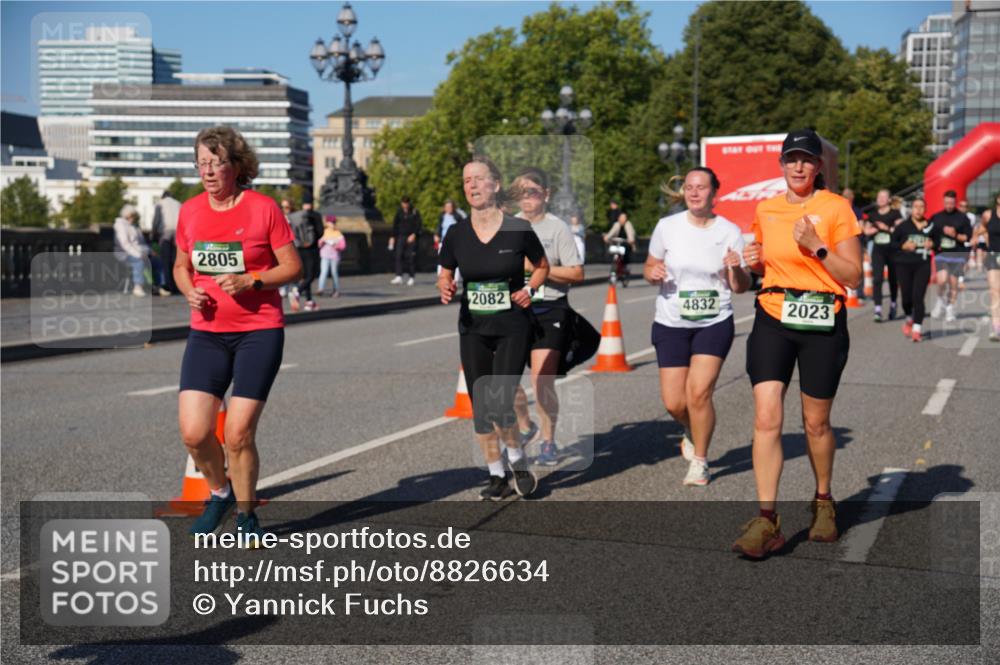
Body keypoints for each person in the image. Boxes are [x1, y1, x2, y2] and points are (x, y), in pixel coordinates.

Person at [735, 128, 862, 559]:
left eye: (806, 159)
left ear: (818, 165)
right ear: (781, 164)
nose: (798, 166)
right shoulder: (766, 209)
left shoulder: (836, 208)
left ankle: (823, 501)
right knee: (766, 417)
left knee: (816, 424)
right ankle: (766, 517)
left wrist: (818, 248)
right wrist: (751, 264)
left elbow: (855, 276)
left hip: (823, 319)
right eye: (791, 159)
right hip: (773, 315)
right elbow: (758, 263)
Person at [174, 125, 302, 541]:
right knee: (194, 433)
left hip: (258, 332)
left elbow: (293, 267)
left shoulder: (263, 208)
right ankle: (220, 493)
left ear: (237, 165)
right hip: (207, 332)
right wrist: (189, 289)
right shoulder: (190, 211)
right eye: (202, 163)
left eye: (217, 162)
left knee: (238, 433)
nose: (209, 171)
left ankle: (247, 516)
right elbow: (181, 265)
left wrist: (252, 281)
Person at [437, 156, 549, 500]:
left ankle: (516, 458)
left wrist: (530, 290)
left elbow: (542, 267)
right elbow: (445, 270)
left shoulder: (518, 229)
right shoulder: (456, 233)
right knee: (481, 406)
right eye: (466, 180)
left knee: (500, 400)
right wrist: (445, 285)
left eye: (478, 179)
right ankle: (496, 475)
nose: (471, 185)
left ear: (495, 185)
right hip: (473, 328)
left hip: (513, 325)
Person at [644, 167, 750, 486]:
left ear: (713, 193)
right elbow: (649, 267)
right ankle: (691, 429)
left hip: (714, 321)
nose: (693, 192)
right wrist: (653, 272)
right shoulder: (667, 227)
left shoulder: (729, 232)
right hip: (671, 321)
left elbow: (742, 285)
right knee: (675, 402)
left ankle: (700, 461)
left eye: (701, 187)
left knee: (699, 393)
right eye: (689, 187)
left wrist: (735, 269)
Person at [507, 167, 584, 466]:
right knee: (505, 377)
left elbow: (577, 273)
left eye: (533, 191)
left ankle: (549, 442)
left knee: (541, 379)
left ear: (546, 195)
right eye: (521, 192)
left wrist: (540, 270)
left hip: (550, 308)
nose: (527, 198)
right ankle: (527, 427)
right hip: (515, 308)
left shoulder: (557, 228)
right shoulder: (507, 227)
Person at [891, 198, 938, 343]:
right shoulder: (903, 226)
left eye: (921, 207)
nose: (918, 209)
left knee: (918, 297)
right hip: (903, 264)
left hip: (922, 264)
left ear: (925, 209)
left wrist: (933, 244)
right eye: (916, 207)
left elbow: (939, 242)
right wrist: (903, 246)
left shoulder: (931, 226)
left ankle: (917, 329)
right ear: (911, 209)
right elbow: (892, 243)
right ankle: (908, 318)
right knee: (906, 298)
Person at [929, 190, 972, 323]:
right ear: (943, 201)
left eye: (951, 203)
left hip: (957, 253)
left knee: (953, 283)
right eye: (947, 202)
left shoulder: (962, 218)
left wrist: (955, 235)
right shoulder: (936, 217)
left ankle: (950, 308)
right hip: (941, 253)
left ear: (955, 202)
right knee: (942, 280)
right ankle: (940, 300)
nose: (949, 205)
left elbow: (967, 238)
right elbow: (928, 233)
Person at [863, 189, 902, 322]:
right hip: (878, 250)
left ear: (889, 200)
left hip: (892, 251)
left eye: (883, 197)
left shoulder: (895, 214)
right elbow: (866, 231)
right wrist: (874, 229)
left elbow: (901, 230)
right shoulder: (872, 215)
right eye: (879, 197)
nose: (880, 199)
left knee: (892, 279)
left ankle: (893, 304)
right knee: (877, 279)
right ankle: (878, 309)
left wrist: (886, 228)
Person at [114, 204, 169, 297]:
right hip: (124, 253)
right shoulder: (120, 225)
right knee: (138, 261)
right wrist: (138, 254)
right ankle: (137, 287)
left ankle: (159, 286)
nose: (134, 218)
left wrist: (150, 251)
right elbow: (125, 244)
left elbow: (142, 243)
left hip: (139, 251)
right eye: (132, 215)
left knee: (157, 261)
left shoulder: (135, 226)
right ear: (127, 215)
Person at [288, 196, 324, 311]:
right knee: (311, 275)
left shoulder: (294, 216)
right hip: (311, 248)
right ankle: (297, 291)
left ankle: (309, 301)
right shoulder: (315, 215)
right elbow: (320, 232)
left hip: (298, 248)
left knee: (304, 275)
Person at [152, 190, 182, 293]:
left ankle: (168, 285)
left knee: (165, 261)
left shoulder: (160, 204)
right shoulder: (178, 203)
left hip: (166, 233)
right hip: (178, 233)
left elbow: (156, 221)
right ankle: (177, 285)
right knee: (176, 261)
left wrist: (154, 234)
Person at [980, 193, 1000, 341]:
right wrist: (983, 240)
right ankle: (996, 328)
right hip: (993, 255)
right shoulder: (988, 214)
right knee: (994, 291)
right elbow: (981, 229)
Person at [390, 196, 422, 286]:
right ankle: (399, 275)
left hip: (411, 236)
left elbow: (419, 225)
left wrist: (414, 234)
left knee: (410, 257)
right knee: (398, 255)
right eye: (403, 203)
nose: (405, 205)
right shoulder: (399, 212)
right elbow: (395, 225)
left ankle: (411, 276)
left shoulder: (414, 212)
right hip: (401, 236)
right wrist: (392, 236)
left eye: (406, 203)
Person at [435, 199, 467, 277]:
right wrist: (436, 235)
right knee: (441, 261)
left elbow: (463, 227)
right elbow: (439, 227)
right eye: (447, 207)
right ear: (444, 208)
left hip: (456, 242)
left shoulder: (458, 216)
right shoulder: (442, 216)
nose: (449, 208)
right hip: (443, 241)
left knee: (455, 261)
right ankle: (441, 277)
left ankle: (455, 280)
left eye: (450, 207)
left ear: (453, 207)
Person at [318, 215, 346, 297]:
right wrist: (322, 241)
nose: (332, 224)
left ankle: (336, 290)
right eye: (330, 222)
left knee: (334, 273)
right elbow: (319, 244)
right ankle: (320, 288)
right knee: (324, 272)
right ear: (327, 223)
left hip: (334, 256)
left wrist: (336, 245)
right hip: (325, 255)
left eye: (333, 222)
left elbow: (343, 245)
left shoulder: (338, 233)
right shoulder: (324, 232)